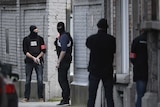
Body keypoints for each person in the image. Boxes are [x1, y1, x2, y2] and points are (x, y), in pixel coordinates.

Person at [86, 18, 115, 107]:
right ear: (107, 28)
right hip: (107, 70)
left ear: (98, 27)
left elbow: (88, 44)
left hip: (94, 70)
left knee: (92, 96)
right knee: (109, 96)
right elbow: (114, 50)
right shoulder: (111, 40)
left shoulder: (91, 39)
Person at [22, 25, 46, 102]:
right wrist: (33, 58)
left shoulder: (40, 39)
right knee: (28, 79)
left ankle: (40, 97)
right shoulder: (26, 39)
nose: (36, 30)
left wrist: (38, 58)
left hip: (38, 61)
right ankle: (26, 97)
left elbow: (43, 50)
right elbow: (25, 51)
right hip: (29, 61)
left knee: (40, 79)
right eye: (35, 29)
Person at [54, 22, 73, 105]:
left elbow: (63, 50)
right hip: (66, 60)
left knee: (62, 79)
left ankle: (65, 98)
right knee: (63, 79)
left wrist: (58, 62)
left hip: (64, 61)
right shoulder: (64, 36)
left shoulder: (64, 37)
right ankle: (65, 98)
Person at [130, 30, 148, 107]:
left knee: (140, 95)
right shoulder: (152, 40)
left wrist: (137, 64)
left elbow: (132, 56)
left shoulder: (136, 40)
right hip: (151, 72)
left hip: (140, 71)